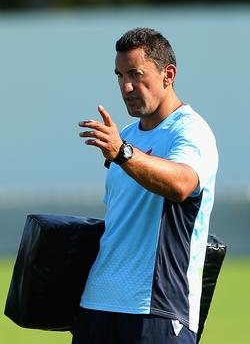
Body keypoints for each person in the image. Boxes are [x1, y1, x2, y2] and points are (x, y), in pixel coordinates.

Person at [75, 27, 218, 343]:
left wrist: (122, 153)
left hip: (158, 308)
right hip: (97, 303)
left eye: (136, 75)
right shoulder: (126, 134)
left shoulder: (191, 131)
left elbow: (182, 183)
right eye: (119, 75)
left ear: (169, 74)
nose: (126, 86)